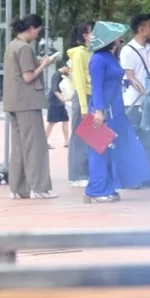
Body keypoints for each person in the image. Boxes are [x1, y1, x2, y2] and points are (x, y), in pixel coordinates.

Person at [85, 22, 150, 203]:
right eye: (116, 36)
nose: (119, 39)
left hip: (115, 110)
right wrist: (98, 111)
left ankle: (109, 186)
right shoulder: (98, 59)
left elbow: (113, 80)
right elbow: (97, 87)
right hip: (104, 111)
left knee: (119, 148)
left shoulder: (109, 56)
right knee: (100, 150)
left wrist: (127, 83)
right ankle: (96, 190)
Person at [1, 14, 58, 199]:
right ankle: (39, 187)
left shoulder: (12, 45)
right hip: (27, 102)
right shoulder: (25, 48)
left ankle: (18, 188)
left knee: (18, 147)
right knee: (35, 146)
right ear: (32, 28)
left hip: (14, 102)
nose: (37, 35)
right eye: (38, 31)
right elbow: (28, 77)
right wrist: (44, 64)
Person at [119, 13, 150, 181]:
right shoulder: (128, 50)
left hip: (149, 101)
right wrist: (141, 87)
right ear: (141, 29)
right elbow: (129, 75)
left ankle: (147, 174)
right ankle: (132, 176)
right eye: (149, 26)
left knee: (148, 139)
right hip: (133, 102)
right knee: (133, 140)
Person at [65, 21, 94, 187]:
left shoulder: (92, 52)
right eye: (93, 32)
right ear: (85, 35)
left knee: (90, 136)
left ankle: (86, 171)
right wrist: (84, 106)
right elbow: (80, 82)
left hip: (91, 96)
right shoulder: (79, 54)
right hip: (82, 97)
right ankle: (78, 175)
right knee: (79, 136)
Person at [45, 69, 70, 148]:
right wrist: (62, 99)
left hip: (60, 103)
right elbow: (54, 90)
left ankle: (67, 141)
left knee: (65, 120)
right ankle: (44, 141)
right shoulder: (56, 75)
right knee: (51, 122)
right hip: (54, 102)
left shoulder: (63, 76)